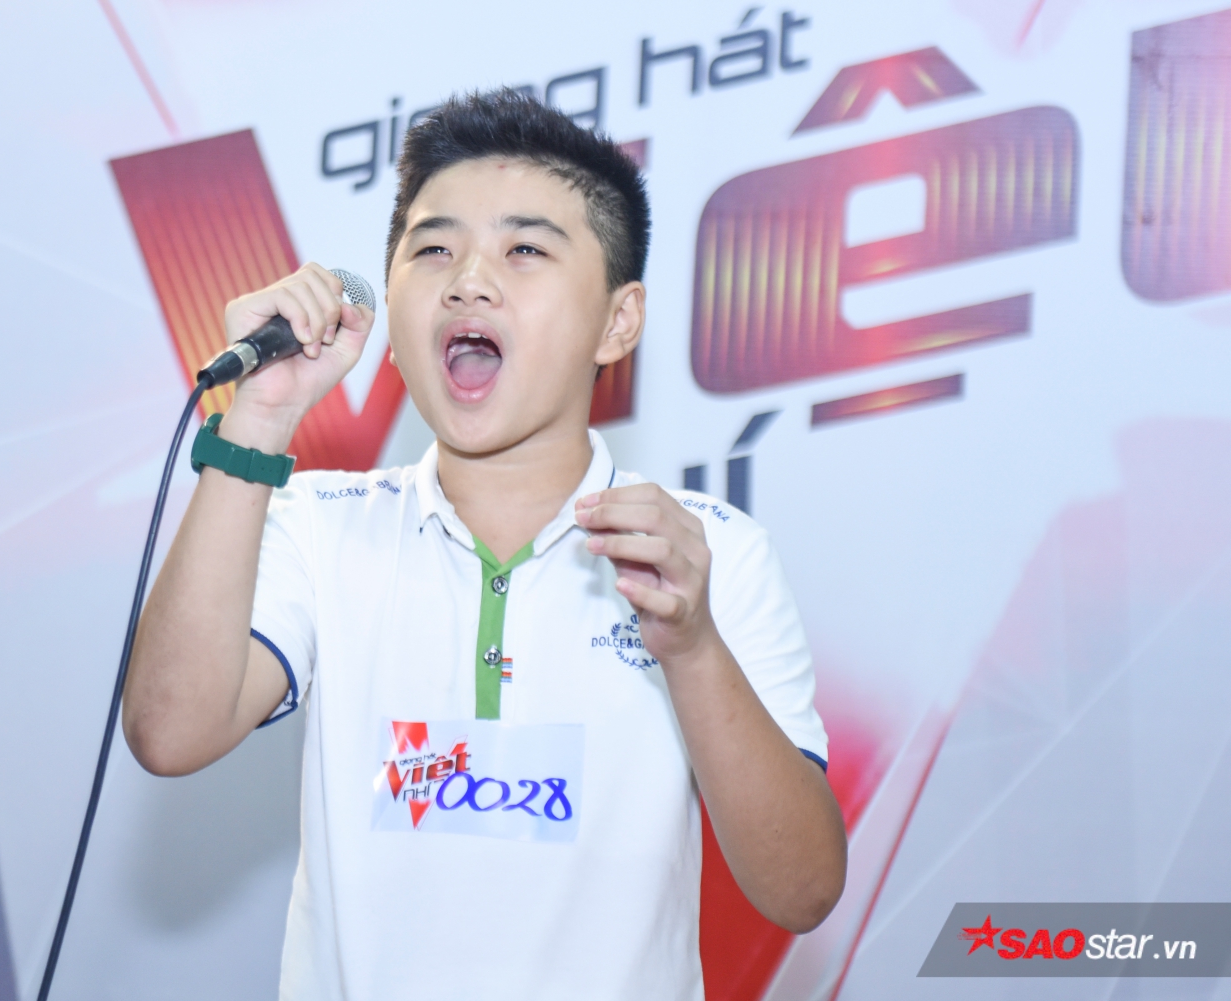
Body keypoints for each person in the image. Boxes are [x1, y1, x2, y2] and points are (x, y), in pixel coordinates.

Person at [123, 88, 846, 1000]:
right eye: (433, 249)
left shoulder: (710, 554)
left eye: (525, 249)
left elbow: (801, 889)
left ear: (619, 320)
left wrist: (693, 645)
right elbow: (168, 732)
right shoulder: (318, 523)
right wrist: (258, 420)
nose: (468, 279)